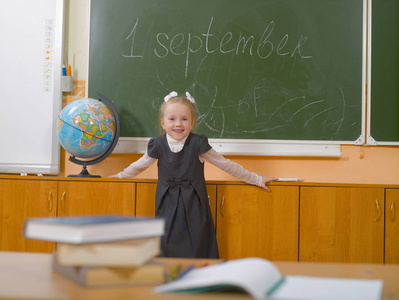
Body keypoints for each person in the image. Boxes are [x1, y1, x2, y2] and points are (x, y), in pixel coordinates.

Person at [107, 91, 278, 259]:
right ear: (162, 122)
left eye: (184, 119)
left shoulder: (198, 144)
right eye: (172, 119)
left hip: (194, 203)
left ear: (192, 122)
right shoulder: (157, 145)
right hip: (166, 202)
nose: (178, 124)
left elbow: (226, 165)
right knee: (167, 241)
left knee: (198, 241)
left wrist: (256, 179)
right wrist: (120, 176)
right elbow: (140, 165)